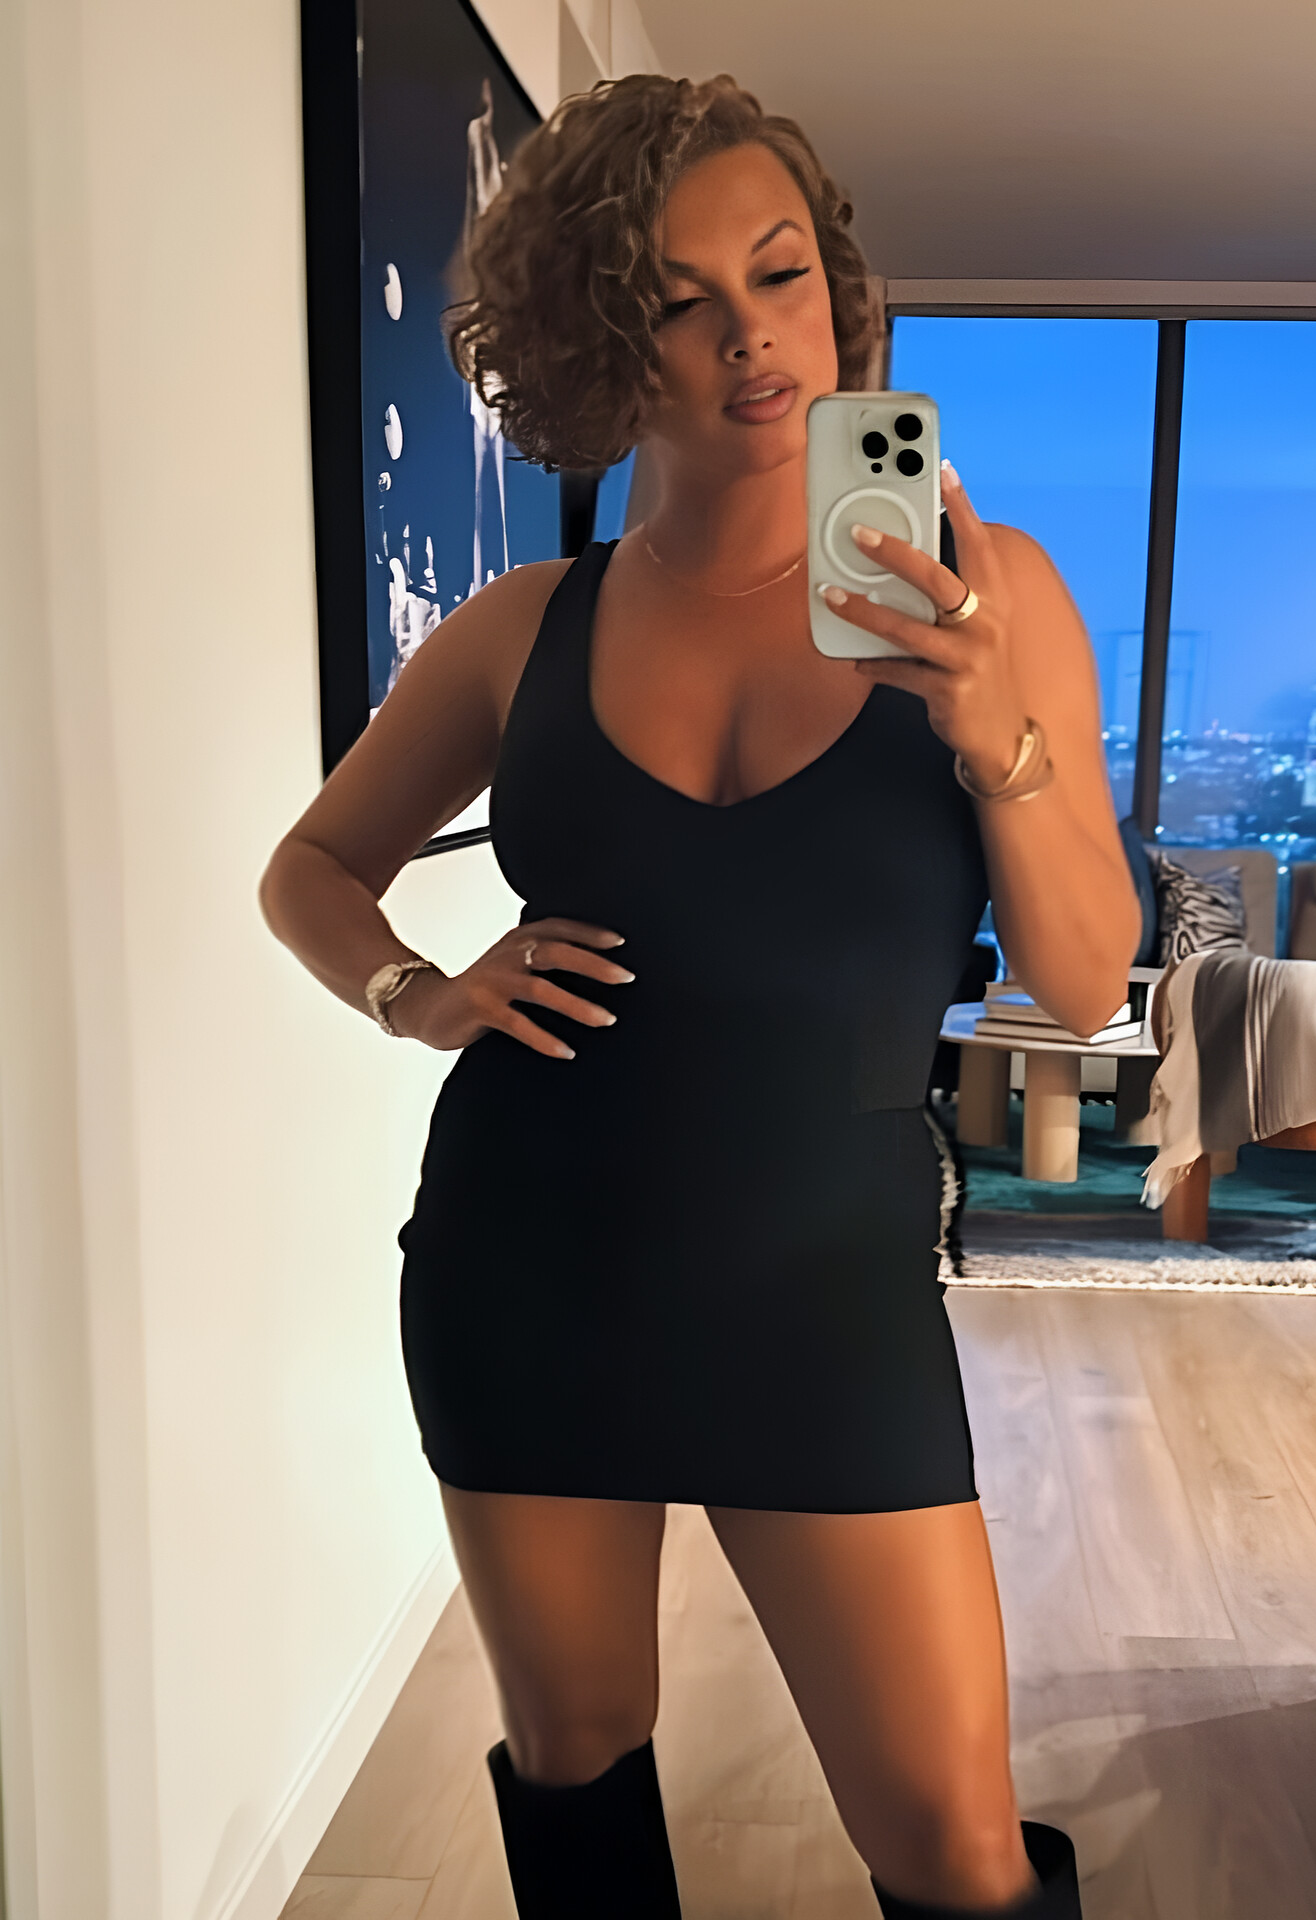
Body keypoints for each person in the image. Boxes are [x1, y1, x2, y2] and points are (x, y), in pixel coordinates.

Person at [260, 73, 1138, 1920]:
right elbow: (312, 868)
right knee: (576, 1764)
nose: (752, 335)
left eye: (781, 272)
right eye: (679, 300)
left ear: (838, 288)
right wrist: (419, 992)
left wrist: (1000, 738)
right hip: (522, 1271)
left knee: (956, 1849)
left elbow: (1080, 983)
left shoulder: (991, 596)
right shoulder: (521, 628)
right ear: (602, 340)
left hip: (825, 1301)